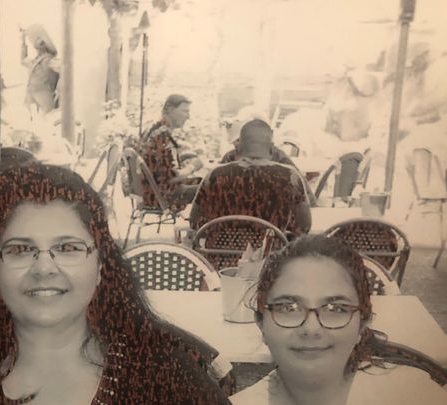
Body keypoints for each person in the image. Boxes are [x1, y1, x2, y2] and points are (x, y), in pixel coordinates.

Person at [0, 163, 231, 404]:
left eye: (67, 248)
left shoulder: (167, 378)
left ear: (101, 266)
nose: (44, 268)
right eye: (20, 249)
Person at [231, 235, 447, 405]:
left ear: (362, 324)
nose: (311, 328)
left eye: (335, 308)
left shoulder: (415, 395)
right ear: (261, 323)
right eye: (289, 308)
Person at [190, 119, 312, 235]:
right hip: (272, 249)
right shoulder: (290, 177)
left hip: (218, 249)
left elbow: (195, 222)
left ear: (239, 147)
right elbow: (304, 226)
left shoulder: (214, 175)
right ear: (271, 148)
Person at [139, 94, 203, 212]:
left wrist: (182, 157)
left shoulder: (154, 129)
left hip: (151, 191)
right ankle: (202, 223)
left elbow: (159, 165)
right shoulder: (161, 136)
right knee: (212, 188)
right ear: (170, 109)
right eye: (184, 111)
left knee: (204, 181)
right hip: (161, 196)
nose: (188, 116)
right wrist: (193, 166)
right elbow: (171, 177)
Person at [21, 24, 60, 117]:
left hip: (45, 99)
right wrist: (23, 41)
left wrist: (59, 91)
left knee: (48, 120)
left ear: (44, 44)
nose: (34, 45)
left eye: (36, 41)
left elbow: (64, 72)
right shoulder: (35, 61)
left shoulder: (49, 60)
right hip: (31, 97)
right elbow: (23, 61)